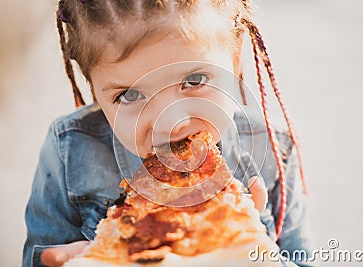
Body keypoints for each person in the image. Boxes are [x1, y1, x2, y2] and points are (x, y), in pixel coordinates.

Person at [22, 0, 315, 266]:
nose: (170, 124)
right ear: (94, 90)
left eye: (195, 79)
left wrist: (248, 240)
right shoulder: (69, 150)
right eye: (129, 95)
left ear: (236, 58)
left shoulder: (275, 149)